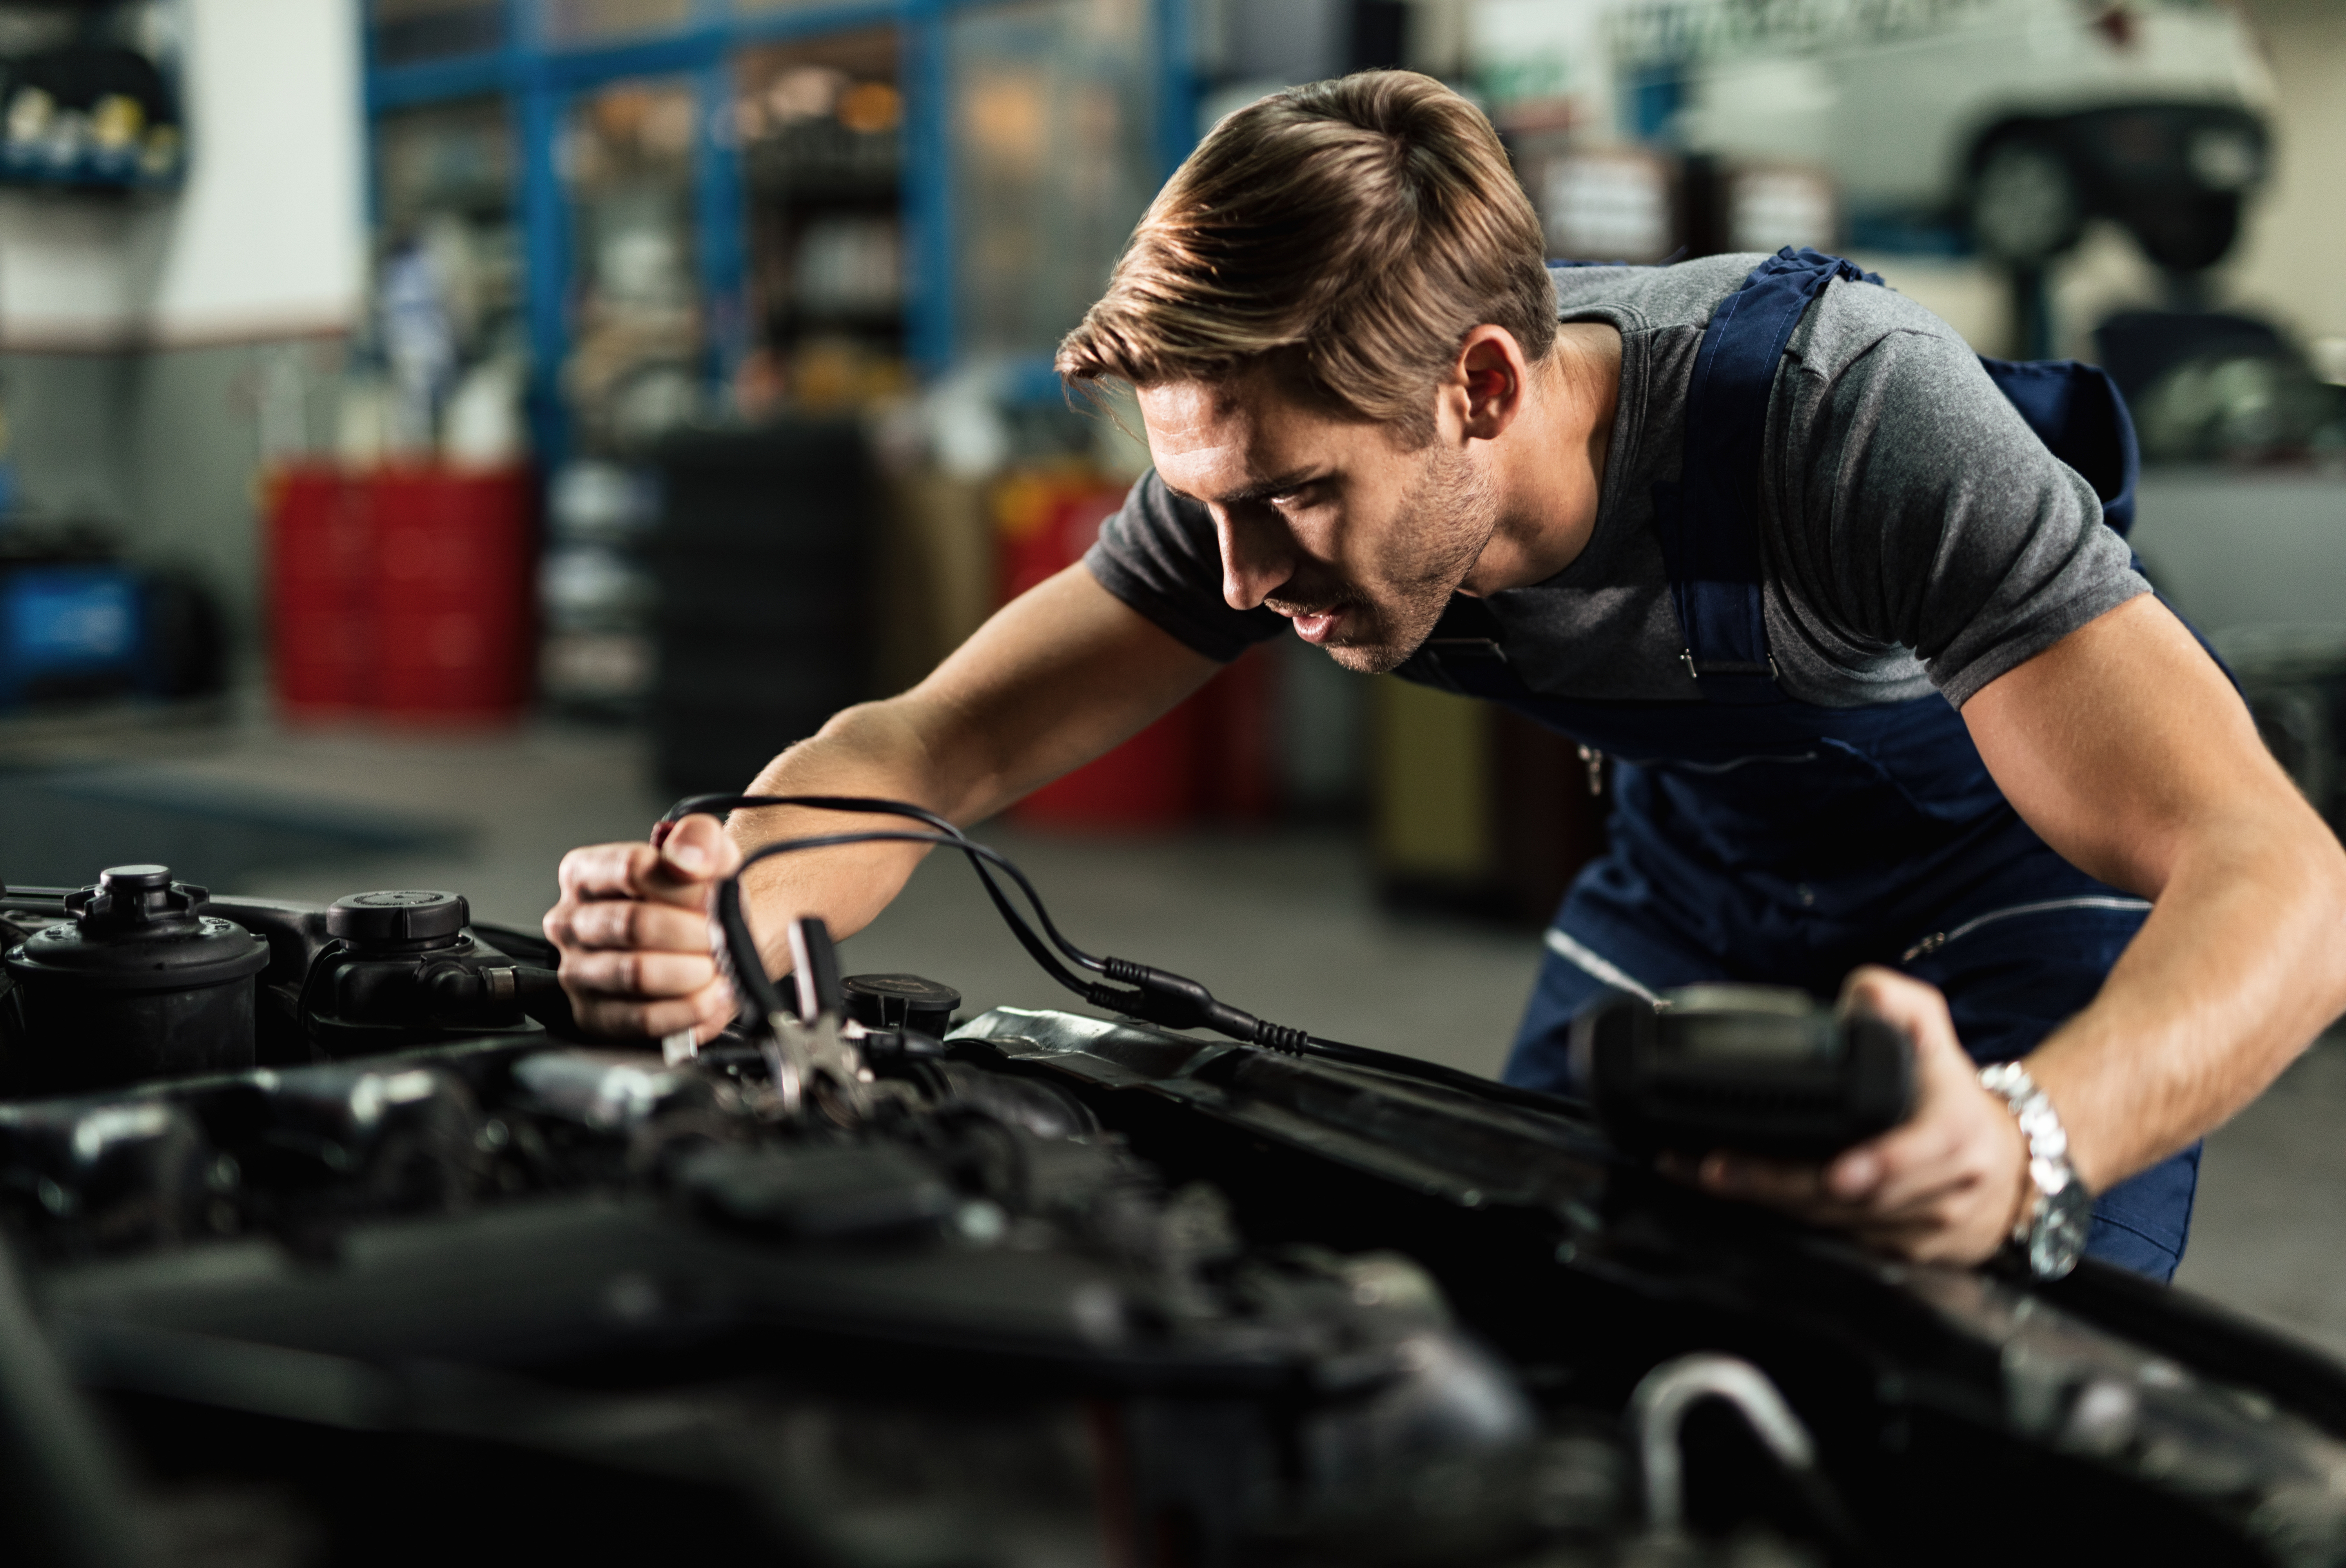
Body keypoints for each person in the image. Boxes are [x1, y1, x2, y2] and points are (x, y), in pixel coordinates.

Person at [545, 73, 2346, 1283]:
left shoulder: (1839, 414)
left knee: (1992, 1393)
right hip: (1694, 888)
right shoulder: (1271, 457)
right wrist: (723, 896)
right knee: (1536, 1305)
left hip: (2003, 899)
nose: (1236, 579)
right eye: (1209, 503)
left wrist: (2029, 1142)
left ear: (1481, 389)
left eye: (1295, 501)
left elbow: (2282, 875)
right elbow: (946, 737)